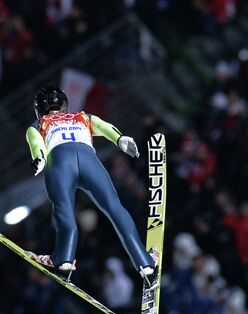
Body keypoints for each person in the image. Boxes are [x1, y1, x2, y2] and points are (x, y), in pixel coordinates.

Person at [24, 86, 158, 285]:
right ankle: (146, 264)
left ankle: (64, 261)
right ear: (64, 104)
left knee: (64, 209)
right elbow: (104, 127)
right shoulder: (82, 116)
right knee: (114, 208)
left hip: (60, 163)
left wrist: (40, 159)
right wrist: (120, 139)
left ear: (39, 109)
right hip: (89, 161)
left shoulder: (38, 123)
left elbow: (36, 144)